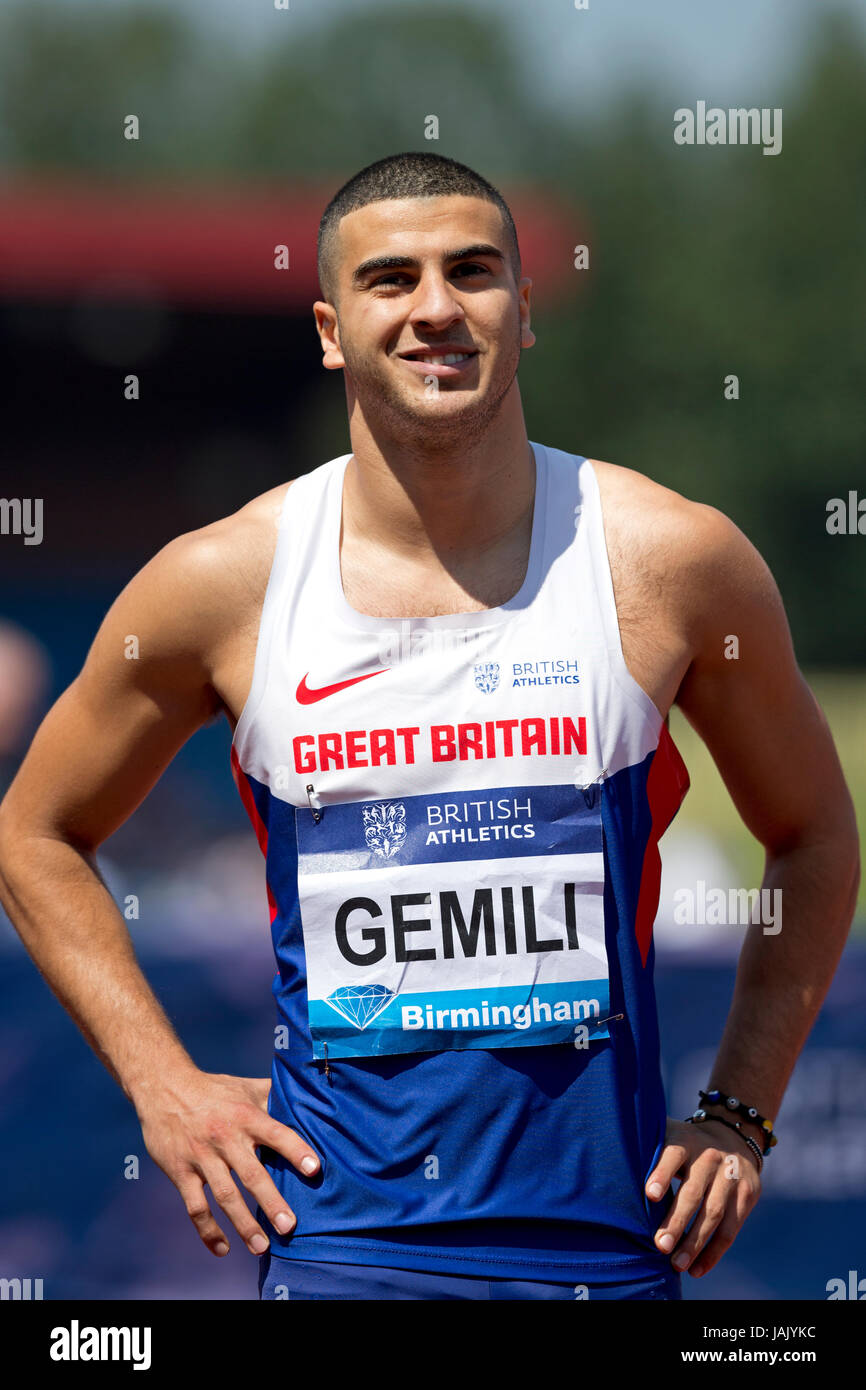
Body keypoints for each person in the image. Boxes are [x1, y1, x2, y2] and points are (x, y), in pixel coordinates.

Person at [0, 152, 858, 1303]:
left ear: (522, 311)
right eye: (389, 278)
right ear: (328, 326)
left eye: (473, 271)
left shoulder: (670, 562)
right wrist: (163, 1085)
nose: (435, 308)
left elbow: (810, 831)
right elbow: (34, 834)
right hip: (343, 1253)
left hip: (607, 1254)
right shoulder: (221, 584)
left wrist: (741, 1109)